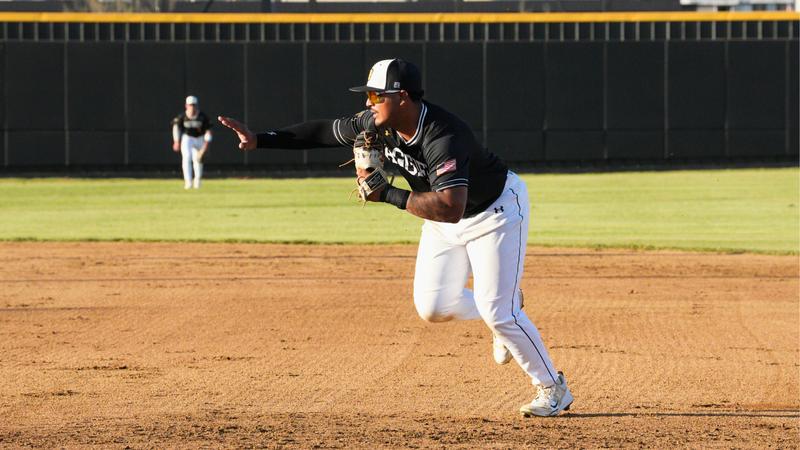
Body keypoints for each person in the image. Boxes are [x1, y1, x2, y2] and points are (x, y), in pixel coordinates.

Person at [218, 59, 573, 417]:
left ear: (402, 96)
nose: (369, 102)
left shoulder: (443, 135)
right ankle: (506, 304)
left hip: (495, 212)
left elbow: (451, 206)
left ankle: (551, 387)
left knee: (499, 312)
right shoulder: (376, 121)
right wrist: (260, 139)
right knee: (433, 307)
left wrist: (388, 194)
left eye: (376, 95)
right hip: (440, 218)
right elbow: (324, 132)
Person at [172, 95, 212, 189]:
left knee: (198, 159)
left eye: (194, 105)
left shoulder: (202, 116)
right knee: (186, 158)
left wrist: (205, 145)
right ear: (186, 105)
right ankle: (188, 182)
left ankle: (197, 181)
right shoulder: (182, 116)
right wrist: (176, 141)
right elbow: (176, 127)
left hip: (200, 138)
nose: (192, 107)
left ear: (197, 105)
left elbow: (208, 131)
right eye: (190, 105)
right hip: (187, 138)